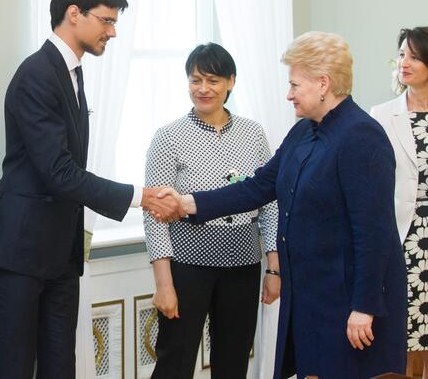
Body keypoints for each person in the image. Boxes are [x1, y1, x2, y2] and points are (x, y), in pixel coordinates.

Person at [159, 31, 407, 379]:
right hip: (310, 297)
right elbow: (259, 186)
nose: (288, 94)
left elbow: (374, 231)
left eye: (294, 85)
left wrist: (364, 307)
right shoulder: (303, 132)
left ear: (323, 83)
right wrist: (187, 203)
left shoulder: (362, 136)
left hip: (346, 300)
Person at [0, 0, 182, 379]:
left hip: (59, 253)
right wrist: (141, 195)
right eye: (107, 20)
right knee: (13, 366)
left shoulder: (72, 71)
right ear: (74, 14)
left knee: (60, 367)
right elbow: (58, 172)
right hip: (21, 249)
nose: (113, 32)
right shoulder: (36, 73)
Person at [145, 43, 280, 378]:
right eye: (195, 80)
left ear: (231, 82)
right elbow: (155, 216)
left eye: (213, 80)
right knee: (175, 362)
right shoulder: (169, 137)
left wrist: (273, 269)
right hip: (187, 269)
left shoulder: (253, 133)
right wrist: (164, 284)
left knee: (233, 363)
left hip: (243, 267)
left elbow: (270, 203)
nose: (203, 89)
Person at [371, 26, 428, 378]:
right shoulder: (382, 114)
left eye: (414, 56)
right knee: (404, 331)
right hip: (402, 235)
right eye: (401, 54)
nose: (404, 63)